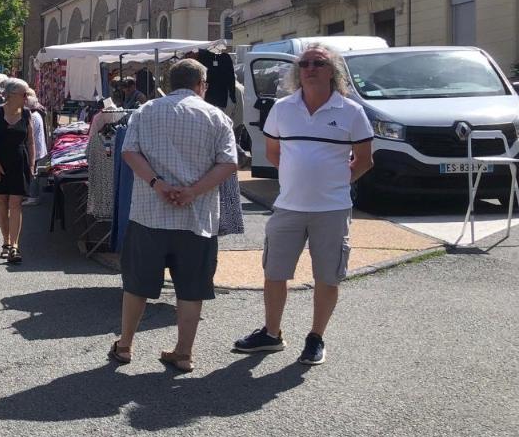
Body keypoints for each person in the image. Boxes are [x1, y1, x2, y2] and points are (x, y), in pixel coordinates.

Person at [233, 43, 373, 366]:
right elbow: (273, 153)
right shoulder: (282, 109)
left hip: (332, 210)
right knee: (274, 271)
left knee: (328, 276)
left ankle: (316, 337)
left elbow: (364, 160)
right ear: (298, 72)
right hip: (289, 207)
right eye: (305, 63)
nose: (310, 68)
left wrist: (335, 182)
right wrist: (299, 179)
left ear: (332, 72)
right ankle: (271, 334)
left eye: (319, 63)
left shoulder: (351, 112)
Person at [109, 59, 238, 373]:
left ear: (171, 80)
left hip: (150, 214)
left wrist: (157, 184)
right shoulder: (217, 117)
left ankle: (125, 345)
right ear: (201, 85)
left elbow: (129, 151)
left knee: (137, 284)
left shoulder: (146, 110)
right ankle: (183, 353)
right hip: (197, 217)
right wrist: (193, 190)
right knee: (192, 288)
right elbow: (229, 163)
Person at [0, 79, 37, 264]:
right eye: (24, 95)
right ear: (12, 95)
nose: (26, 98)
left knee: (16, 203)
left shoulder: (27, 114)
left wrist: (31, 164)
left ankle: (14, 245)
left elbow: (30, 141)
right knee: (1, 202)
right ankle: (5, 242)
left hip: (18, 162)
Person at [22, 91, 48, 207]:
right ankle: (31, 194)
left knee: (32, 172)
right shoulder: (37, 114)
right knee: (33, 172)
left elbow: (28, 135)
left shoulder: (33, 116)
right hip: (37, 148)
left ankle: (33, 196)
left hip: (35, 149)